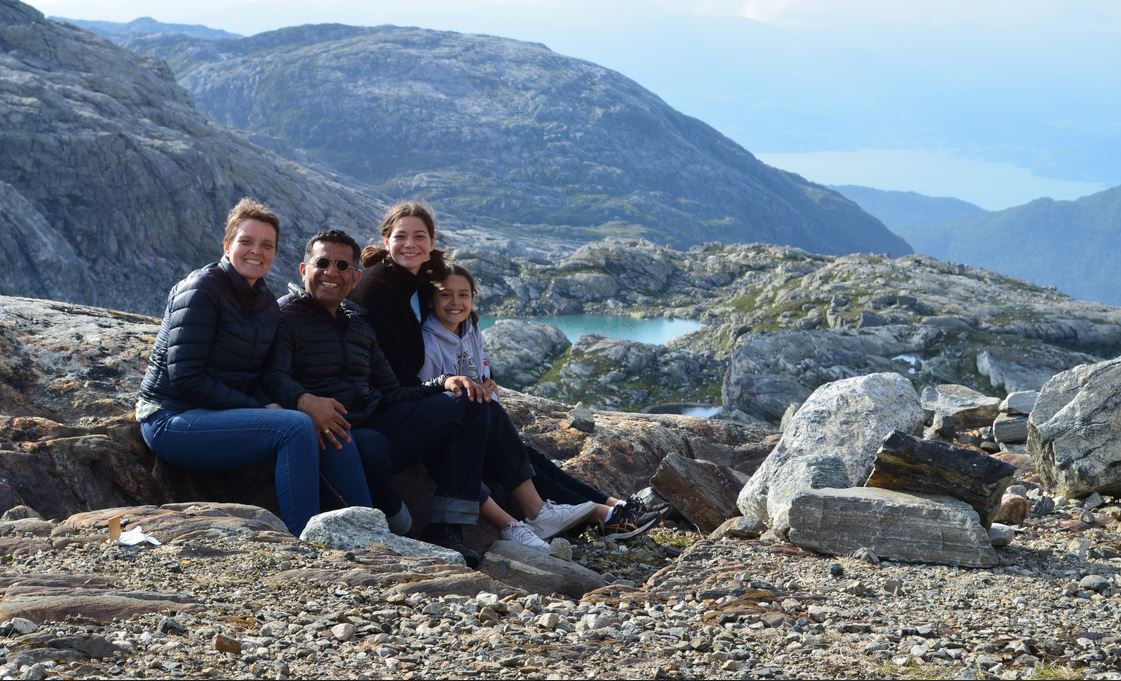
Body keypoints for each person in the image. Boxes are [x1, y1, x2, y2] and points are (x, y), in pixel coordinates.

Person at [351, 201, 599, 548]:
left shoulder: (413, 282)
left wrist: (481, 376)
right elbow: (391, 375)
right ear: (386, 239)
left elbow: (456, 318)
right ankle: (514, 517)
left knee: (485, 411)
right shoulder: (378, 288)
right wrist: (444, 386)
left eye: (419, 237)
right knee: (472, 407)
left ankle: (575, 509)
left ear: (432, 241)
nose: (410, 244)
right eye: (401, 236)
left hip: (402, 402)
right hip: (381, 412)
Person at [136, 198, 369, 537]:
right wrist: (259, 407)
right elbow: (185, 377)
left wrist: (300, 403)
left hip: (215, 415)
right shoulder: (202, 289)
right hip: (170, 418)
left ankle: (368, 532)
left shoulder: (263, 301)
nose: (255, 251)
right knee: (293, 427)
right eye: (246, 241)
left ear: (275, 253)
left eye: (266, 245)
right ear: (227, 244)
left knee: (331, 427)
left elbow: (262, 372)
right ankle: (304, 539)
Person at [264, 229, 492, 566]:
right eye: (322, 263)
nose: (331, 272)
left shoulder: (358, 325)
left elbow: (394, 392)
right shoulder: (284, 317)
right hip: (338, 433)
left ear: (355, 277)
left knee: (468, 401)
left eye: (343, 265)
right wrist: (305, 401)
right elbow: (272, 376)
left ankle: (448, 529)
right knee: (366, 443)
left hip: (380, 421)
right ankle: (392, 523)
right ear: (303, 270)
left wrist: (444, 383)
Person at [419, 264, 665, 541]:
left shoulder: (470, 329)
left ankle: (612, 505)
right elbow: (429, 396)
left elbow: (485, 378)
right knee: (520, 463)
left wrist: (488, 390)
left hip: (483, 421)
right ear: (431, 299)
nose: (455, 302)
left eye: (463, 295)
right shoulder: (427, 342)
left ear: (473, 298)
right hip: (459, 429)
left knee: (531, 459)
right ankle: (600, 515)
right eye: (445, 295)